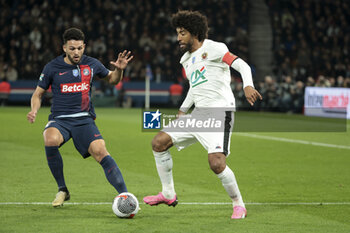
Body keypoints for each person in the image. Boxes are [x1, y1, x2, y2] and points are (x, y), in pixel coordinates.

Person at [143, 11, 262, 219]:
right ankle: (168, 193)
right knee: (158, 142)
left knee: (216, 163)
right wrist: (183, 110)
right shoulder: (186, 59)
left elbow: (241, 65)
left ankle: (238, 204)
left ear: (194, 33)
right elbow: (195, 87)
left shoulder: (215, 48)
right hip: (198, 114)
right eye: (177, 33)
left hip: (219, 113)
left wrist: (248, 85)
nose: (178, 38)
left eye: (182, 33)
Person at [27, 28, 133, 207]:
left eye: (79, 48)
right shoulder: (52, 67)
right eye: (72, 48)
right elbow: (37, 94)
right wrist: (34, 110)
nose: (76, 52)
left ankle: (126, 196)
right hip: (60, 119)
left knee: (100, 151)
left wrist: (120, 70)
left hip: (84, 119)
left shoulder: (92, 64)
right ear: (64, 48)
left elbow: (113, 80)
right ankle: (63, 190)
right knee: (50, 138)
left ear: (84, 46)